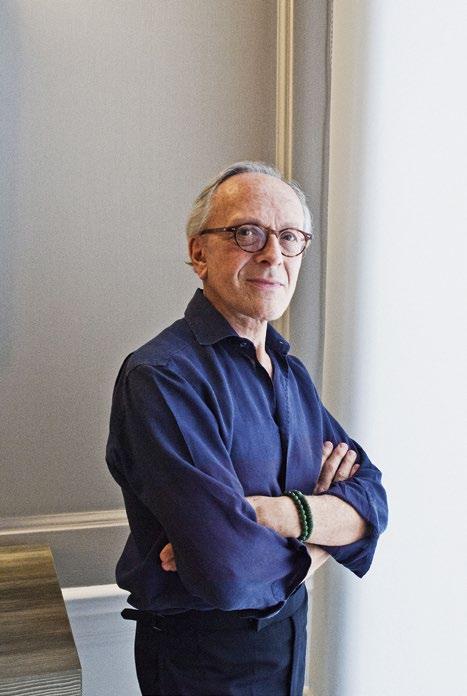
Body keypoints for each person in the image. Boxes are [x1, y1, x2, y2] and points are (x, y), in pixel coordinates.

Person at [106, 161, 388, 696]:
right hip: (203, 661)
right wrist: (325, 536)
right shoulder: (163, 378)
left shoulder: (289, 372)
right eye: (247, 233)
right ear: (199, 253)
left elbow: (372, 499)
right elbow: (228, 570)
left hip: (287, 640)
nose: (273, 254)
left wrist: (276, 514)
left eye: (290, 237)